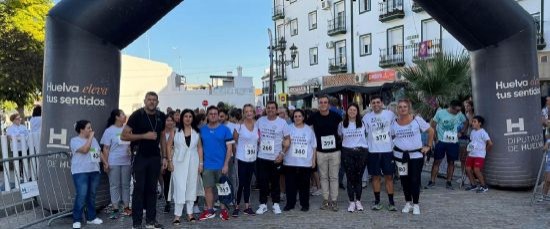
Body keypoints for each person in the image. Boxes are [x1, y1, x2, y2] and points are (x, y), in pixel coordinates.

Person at [121, 92, 166, 229]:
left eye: (154, 100)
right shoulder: (137, 115)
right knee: (139, 189)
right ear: (145, 101)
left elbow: (163, 137)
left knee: (152, 189)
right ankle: (137, 223)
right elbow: (124, 136)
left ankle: (151, 221)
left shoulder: (161, 116)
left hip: (154, 157)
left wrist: (165, 157)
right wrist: (144, 136)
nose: (151, 102)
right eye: (149, 99)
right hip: (139, 156)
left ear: (157, 102)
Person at [391, 99, 434, 215]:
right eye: (400, 107)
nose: (402, 109)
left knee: (415, 179)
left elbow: (431, 131)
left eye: (405, 106)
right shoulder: (394, 122)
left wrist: (428, 146)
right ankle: (408, 202)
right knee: (404, 180)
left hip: (416, 155)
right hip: (400, 156)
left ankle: (416, 204)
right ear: (397, 109)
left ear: (409, 108)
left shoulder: (417, 120)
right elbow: (391, 137)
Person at [306, 95, 343, 211]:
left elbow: (342, 131)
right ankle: (326, 200)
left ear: (329, 104)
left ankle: (334, 200)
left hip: (335, 151)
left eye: (325, 102)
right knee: (323, 177)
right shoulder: (313, 116)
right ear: (318, 104)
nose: (323, 104)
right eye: (321, 102)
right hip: (320, 152)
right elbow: (306, 129)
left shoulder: (336, 116)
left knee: (334, 177)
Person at [168, 109, 204, 224]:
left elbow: (199, 148)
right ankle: (177, 215)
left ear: (193, 118)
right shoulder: (175, 130)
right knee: (179, 187)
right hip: (178, 163)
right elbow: (169, 145)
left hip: (193, 162)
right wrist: (169, 161)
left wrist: (201, 163)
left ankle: (190, 213)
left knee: (191, 187)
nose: (188, 118)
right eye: (185, 116)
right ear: (182, 118)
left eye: (190, 116)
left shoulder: (196, 132)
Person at [198, 106, 234, 221]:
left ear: (218, 115)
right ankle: (210, 210)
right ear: (207, 116)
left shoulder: (225, 129)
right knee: (208, 188)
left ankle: (223, 210)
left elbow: (229, 149)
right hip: (207, 165)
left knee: (222, 188)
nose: (213, 115)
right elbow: (199, 148)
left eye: (215, 113)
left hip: (221, 165)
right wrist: (201, 163)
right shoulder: (202, 130)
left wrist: (226, 164)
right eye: (211, 114)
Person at [362, 95, 397, 211]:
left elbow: (396, 130)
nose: (376, 105)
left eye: (378, 102)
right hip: (373, 151)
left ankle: (391, 202)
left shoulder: (390, 114)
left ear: (382, 103)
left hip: (387, 151)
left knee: (389, 177)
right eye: (373, 103)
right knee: (375, 178)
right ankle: (377, 202)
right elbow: (363, 133)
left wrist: (394, 143)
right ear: (371, 105)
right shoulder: (366, 117)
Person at [255, 101, 290, 215]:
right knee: (263, 182)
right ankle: (263, 204)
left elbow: (287, 140)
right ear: (266, 109)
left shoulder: (282, 122)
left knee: (275, 182)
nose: (270, 110)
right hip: (262, 157)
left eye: (272, 108)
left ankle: (276, 204)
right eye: (268, 108)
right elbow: (255, 135)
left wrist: (282, 154)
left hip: (276, 157)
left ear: (276, 110)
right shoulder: (260, 121)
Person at [426, 100, 467, 190]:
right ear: (451, 107)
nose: (457, 112)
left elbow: (465, 122)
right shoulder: (440, 113)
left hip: (453, 142)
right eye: (456, 110)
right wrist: (435, 138)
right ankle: (432, 181)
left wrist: (462, 132)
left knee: (451, 162)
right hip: (441, 141)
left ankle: (449, 182)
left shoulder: (459, 114)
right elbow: (433, 125)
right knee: (437, 161)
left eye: (459, 110)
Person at [70, 120, 103, 229]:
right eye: (88, 128)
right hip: (80, 171)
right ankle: (76, 219)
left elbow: (98, 152)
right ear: (81, 129)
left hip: (94, 170)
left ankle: (91, 217)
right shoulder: (74, 140)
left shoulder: (93, 139)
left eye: (90, 127)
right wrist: (90, 138)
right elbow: (85, 150)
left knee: (92, 195)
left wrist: (106, 163)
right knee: (81, 195)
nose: (91, 129)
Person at [100, 109, 132, 219]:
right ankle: (115, 208)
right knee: (114, 185)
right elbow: (106, 148)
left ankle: (127, 207)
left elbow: (131, 144)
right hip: (113, 161)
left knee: (126, 185)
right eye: (123, 114)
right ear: (117, 117)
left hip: (126, 161)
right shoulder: (109, 131)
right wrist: (105, 163)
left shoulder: (128, 129)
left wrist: (130, 149)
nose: (125, 116)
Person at [283, 109, 317, 212]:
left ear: (303, 117)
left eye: (299, 116)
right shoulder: (288, 129)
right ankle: (290, 204)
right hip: (290, 162)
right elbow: (283, 142)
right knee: (290, 185)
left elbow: (314, 146)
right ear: (293, 118)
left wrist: (314, 160)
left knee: (304, 186)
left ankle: (304, 204)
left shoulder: (309, 130)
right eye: (295, 116)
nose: (297, 118)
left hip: (305, 163)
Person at [338, 103, 368, 213]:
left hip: (361, 152)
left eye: (354, 110)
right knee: (350, 178)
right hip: (347, 152)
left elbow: (367, 135)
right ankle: (351, 201)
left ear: (357, 112)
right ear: (347, 111)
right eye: (350, 110)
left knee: (359, 177)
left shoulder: (363, 123)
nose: (352, 112)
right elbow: (340, 136)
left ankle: (358, 201)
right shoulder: (342, 124)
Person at [232, 104, 258, 217]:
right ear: (243, 113)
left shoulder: (257, 126)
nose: (248, 113)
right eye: (246, 111)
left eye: (250, 111)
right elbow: (235, 142)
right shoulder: (239, 126)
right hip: (242, 158)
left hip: (252, 158)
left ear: (253, 112)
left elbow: (258, 140)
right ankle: (237, 206)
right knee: (241, 183)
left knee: (248, 183)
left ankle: (247, 206)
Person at [464, 116, 493, 193]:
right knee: (468, 169)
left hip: (479, 155)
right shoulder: (472, 132)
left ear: (479, 123)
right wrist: (468, 150)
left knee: (476, 170)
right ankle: (473, 185)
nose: (472, 123)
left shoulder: (483, 132)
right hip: (471, 154)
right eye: (472, 121)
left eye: (474, 122)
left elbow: (490, 143)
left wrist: (484, 151)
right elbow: (472, 142)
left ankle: (484, 186)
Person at [161, 113, 176, 213]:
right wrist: (164, 158)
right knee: (167, 182)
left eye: (171, 120)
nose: (169, 122)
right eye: (168, 120)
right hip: (165, 160)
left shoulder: (177, 132)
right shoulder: (161, 133)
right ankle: (167, 202)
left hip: (176, 160)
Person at [458, 100, 475, 183]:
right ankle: (463, 176)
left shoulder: (473, 115)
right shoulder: (465, 115)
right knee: (463, 158)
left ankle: (469, 177)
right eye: (465, 106)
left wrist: (470, 114)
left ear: (472, 106)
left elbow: (471, 124)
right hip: (465, 138)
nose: (466, 108)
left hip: (472, 139)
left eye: (468, 106)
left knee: (470, 158)